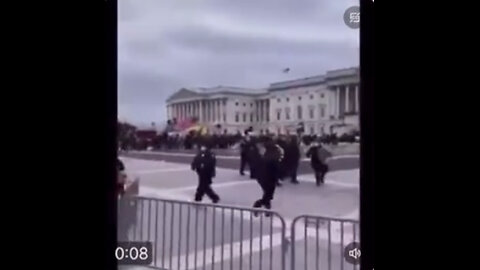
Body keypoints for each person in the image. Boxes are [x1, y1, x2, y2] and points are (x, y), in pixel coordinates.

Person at [252, 138, 281, 216]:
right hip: (269, 177)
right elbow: (276, 165)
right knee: (268, 194)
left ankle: (267, 210)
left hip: (263, 176)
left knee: (268, 194)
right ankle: (257, 205)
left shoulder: (266, 152)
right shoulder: (273, 153)